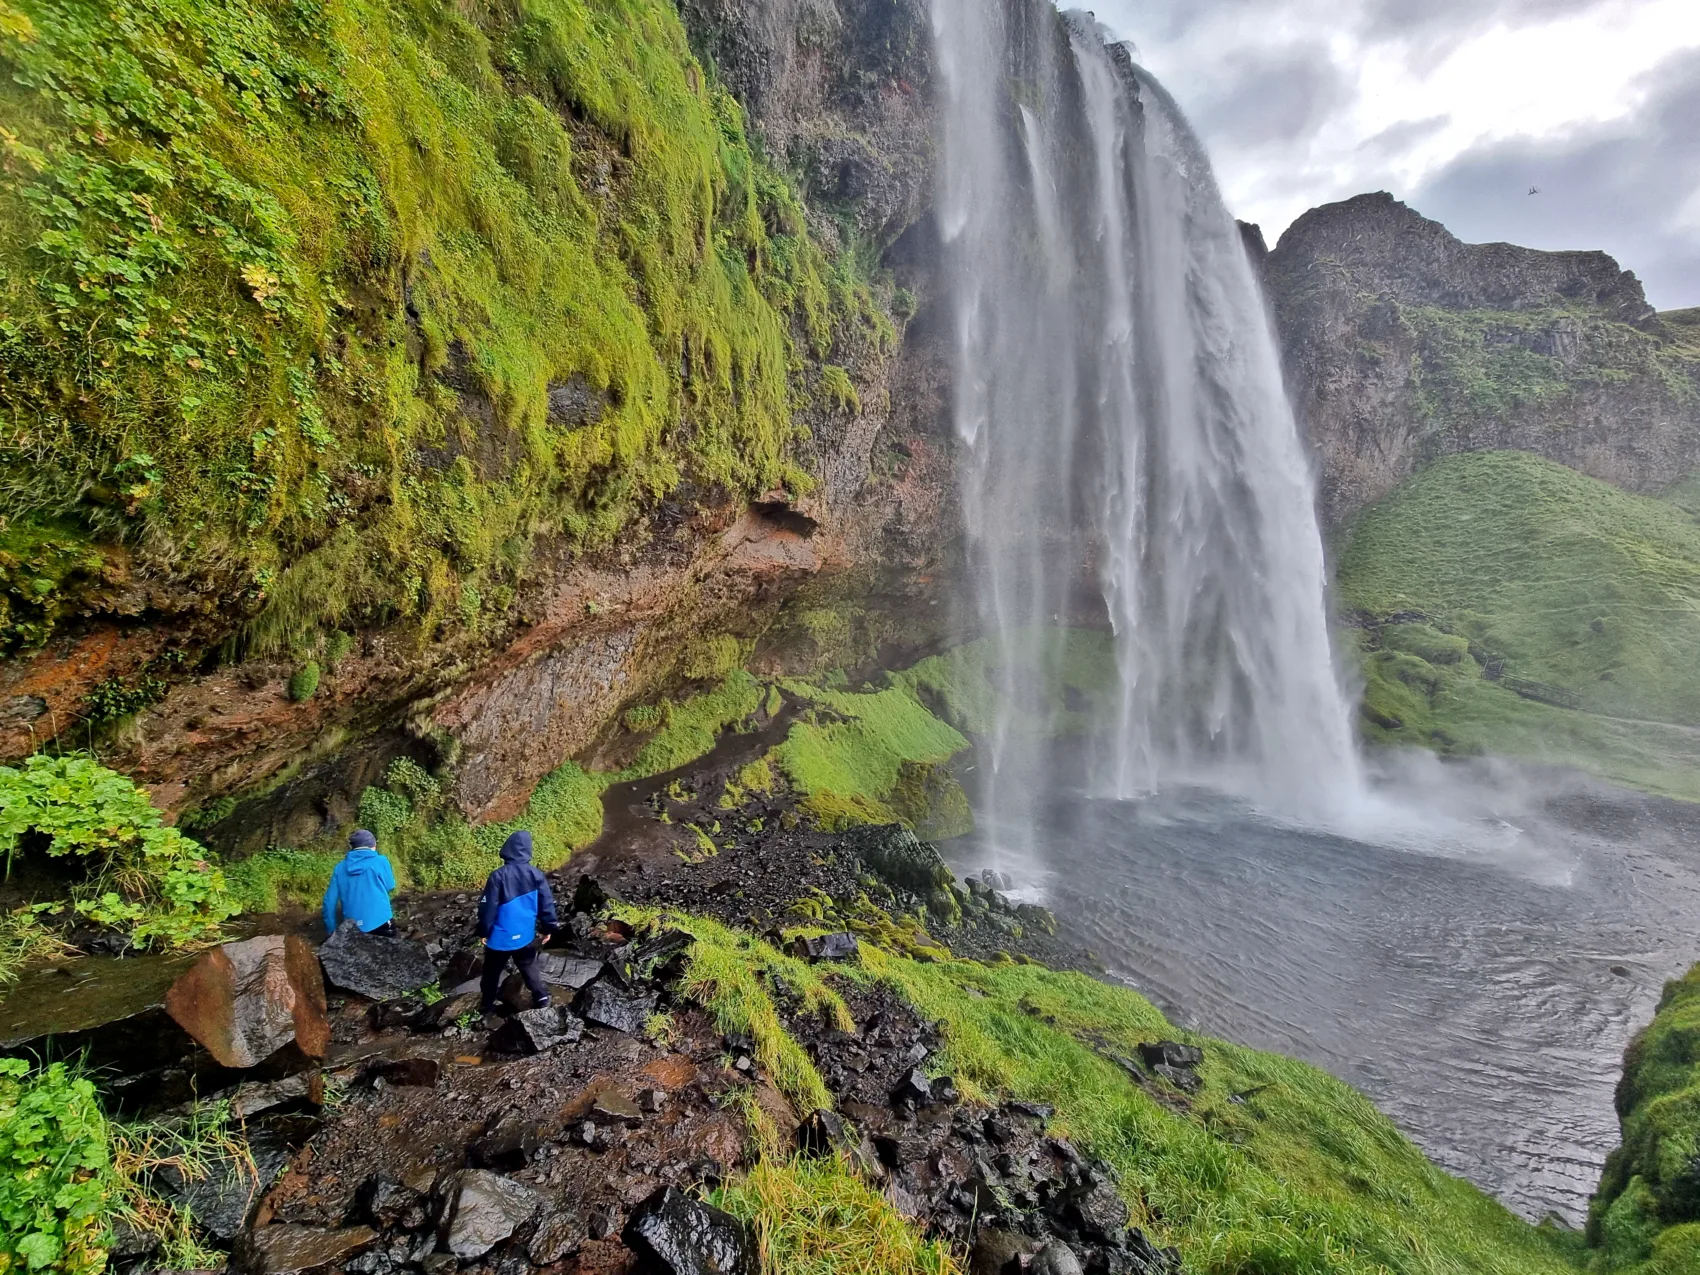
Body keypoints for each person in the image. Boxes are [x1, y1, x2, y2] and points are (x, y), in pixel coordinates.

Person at [477, 830, 559, 1013]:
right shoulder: (536, 875)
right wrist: (548, 928)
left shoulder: (498, 876)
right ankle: (542, 997)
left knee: (491, 972)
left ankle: (486, 1006)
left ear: (507, 849)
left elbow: (488, 908)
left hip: (500, 936)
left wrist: (483, 931)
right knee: (529, 967)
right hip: (525, 934)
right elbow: (546, 904)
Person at [322, 828, 397, 936]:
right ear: (373, 846)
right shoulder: (380, 861)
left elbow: (329, 902)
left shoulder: (340, 868)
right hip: (382, 923)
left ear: (353, 847)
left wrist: (332, 931)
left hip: (352, 928)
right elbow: (390, 886)